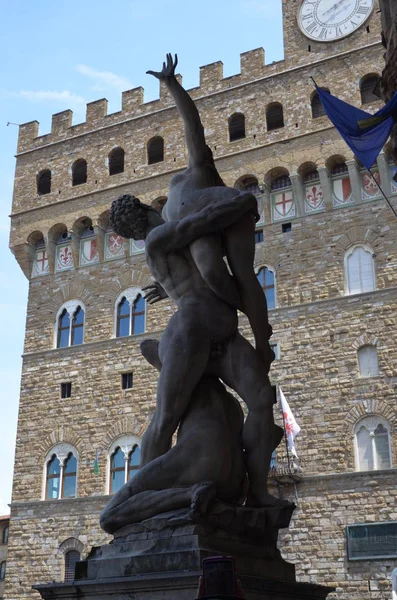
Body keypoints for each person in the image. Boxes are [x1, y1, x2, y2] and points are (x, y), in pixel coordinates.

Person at [110, 192, 285, 508]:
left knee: (261, 399)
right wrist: (243, 202)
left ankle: (258, 492)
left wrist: (168, 286)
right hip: (191, 332)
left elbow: (190, 267)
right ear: (147, 208)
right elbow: (203, 221)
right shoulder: (158, 237)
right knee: (166, 417)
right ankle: (142, 500)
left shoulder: (165, 245)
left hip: (224, 334)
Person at [147, 54, 272, 366]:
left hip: (229, 211)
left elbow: (193, 123)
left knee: (238, 273)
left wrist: (172, 85)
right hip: (203, 227)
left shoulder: (199, 167)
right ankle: (249, 321)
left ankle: (261, 339)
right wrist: (168, 285)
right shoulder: (172, 210)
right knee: (214, 274)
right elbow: (184, 261)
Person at [100, 339, 246, 534]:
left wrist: (146, 486)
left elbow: (162, 425)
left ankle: (191, 493)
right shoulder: (230, 401)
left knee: (109, 517)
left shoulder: (182, 379)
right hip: (235, 482)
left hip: (201, 464)